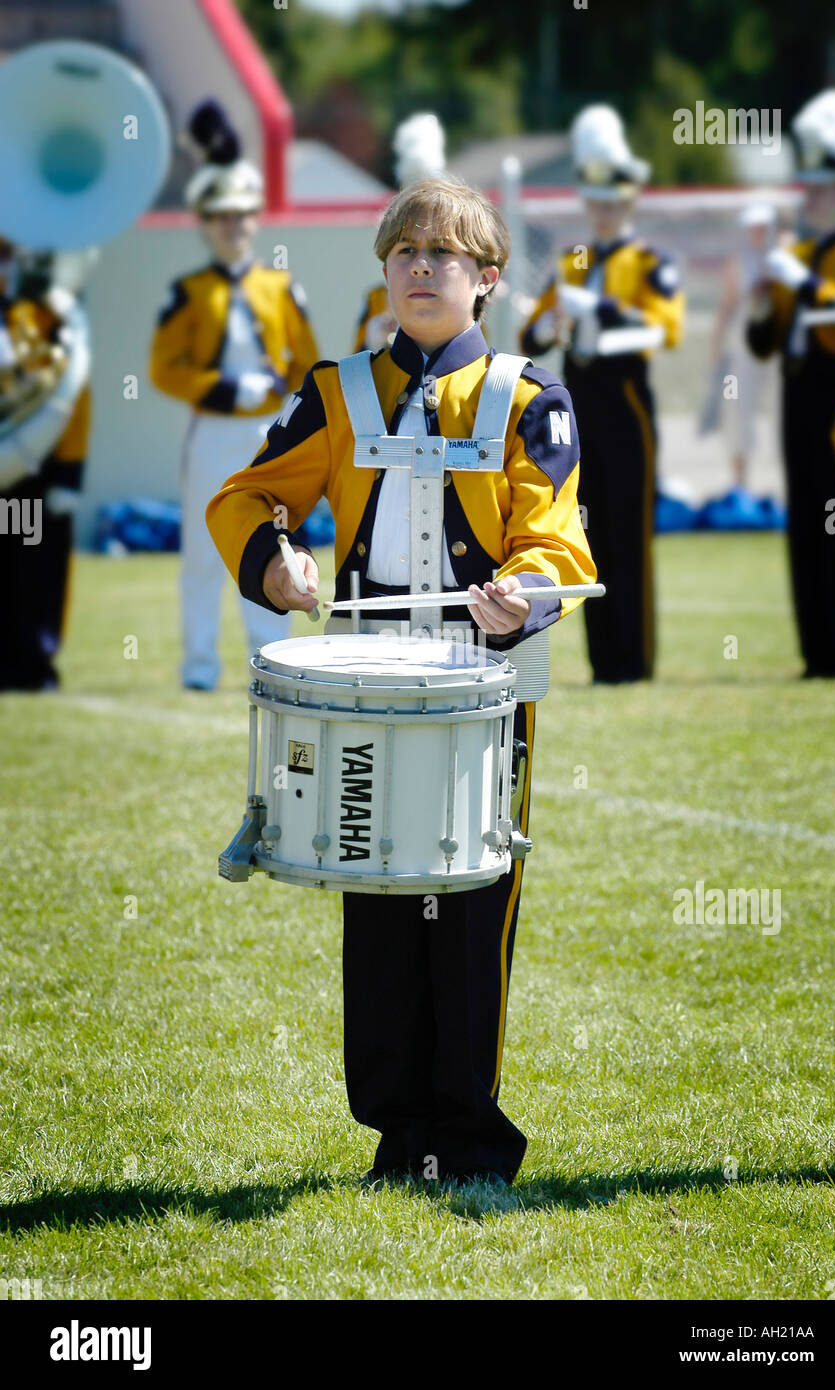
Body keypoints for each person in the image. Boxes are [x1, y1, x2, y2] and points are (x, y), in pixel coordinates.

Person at [207, 176, 595, 1185]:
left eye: (445, 253)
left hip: (485, 693)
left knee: (470, 898)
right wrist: (278, 561)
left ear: (488, 279)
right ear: (384, 271)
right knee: (377, 891)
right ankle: (396, 1131)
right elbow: (249, 496)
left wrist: (526, 587)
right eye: (404, 252)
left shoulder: (529, 397)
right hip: (368, 688)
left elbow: (553, 535)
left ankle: (467, 1135)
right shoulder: (333, 391)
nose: (421, 267)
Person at [150, 103, 319, 691]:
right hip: (213, 430)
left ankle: (272, 657)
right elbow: (164, 368)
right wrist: (221, 387)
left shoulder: (280, 286)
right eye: (221, 218)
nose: (234, 227)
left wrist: (282, 399)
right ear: (205, 224)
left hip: (267, 433)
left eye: (242, 217)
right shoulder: (188, 291)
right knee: (202, 548)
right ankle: (198, 666)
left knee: (273, 539)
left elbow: (307, 363)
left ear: (254, 221)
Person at [520, 105, 684, 684]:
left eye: (613, 200)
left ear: (629, 201)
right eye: (596, 200)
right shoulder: (572, 260)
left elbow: (667, 328)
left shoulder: (650, 262)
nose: (604, 211)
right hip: (580, 400)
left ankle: (633, 660)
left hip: (625, 398)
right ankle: (602, 661)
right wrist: (553, 326)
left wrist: (600, 309)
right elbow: (531, 333)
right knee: (586, 530)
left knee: (629, 531)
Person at [746, 90, 835, 678]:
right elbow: (764, 344)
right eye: (807, 187)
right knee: (808, 524)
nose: (810, 197)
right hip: (799, 397)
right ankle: (817, 650)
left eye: (822, 188)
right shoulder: (797, 250)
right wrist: (763, 299)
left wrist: (806, 284)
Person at [0, 242, 90, 691]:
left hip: (27, 464)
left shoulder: (45, 309)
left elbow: (71, 393)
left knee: (32, 568)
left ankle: (31, 662)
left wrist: (69, 471)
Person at [351, 113, 446, 353]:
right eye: (407, 249)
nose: (420, 262)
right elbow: (352, 371)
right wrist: (373, 341)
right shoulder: (377, 298)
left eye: (439, 250)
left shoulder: (455, 294)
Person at [702, 202, 778, 490]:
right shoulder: (739, 263)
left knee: (782, 412)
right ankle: (741, 483)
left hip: (777, 347)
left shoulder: (783, 257)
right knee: (737, 412)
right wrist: (716, 347)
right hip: (745, 346)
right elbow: (727, 306)